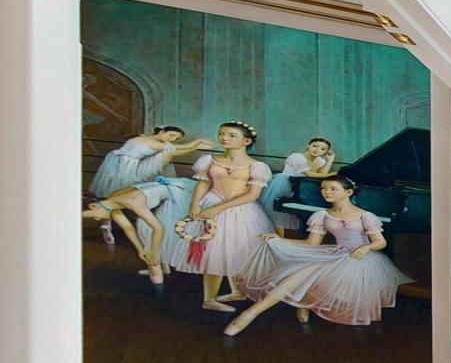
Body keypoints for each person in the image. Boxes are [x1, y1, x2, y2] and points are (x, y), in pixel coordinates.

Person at [226, 174, 410, 334]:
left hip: (360, 257)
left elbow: (381, 242)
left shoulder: (365, 216)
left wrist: (367, 248)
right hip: (335, 253)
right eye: (323, 188)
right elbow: (311, 243)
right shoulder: (322, 215)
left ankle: (306, 304)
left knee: (318, 278)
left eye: (333, 188)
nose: (326, 192)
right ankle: (249, 314)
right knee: (299, 275)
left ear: (348, 192)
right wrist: (278, 240)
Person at [178, 121, 273, 311]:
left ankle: (237, 291)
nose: (224, 138)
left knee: (234, 249)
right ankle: (209, 299)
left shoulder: (257, 166)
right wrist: (195, 205)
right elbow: (204, 183)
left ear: (246, 141)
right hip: (211, 204)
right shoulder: (210, 160)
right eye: (221, 134)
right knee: (213, 251)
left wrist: (219, 208)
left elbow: (252, 195)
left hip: (240, 209)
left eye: (231, 135)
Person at [81, 176, 196, 284]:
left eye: (91, 216)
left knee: (148, 228)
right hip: (163, 198)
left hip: (178, 196)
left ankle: (158, 266)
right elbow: (127, 227)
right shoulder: (111, 201)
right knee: (143, 226)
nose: (96, 219)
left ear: (93, 206)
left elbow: (158, 228)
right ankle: (160, 266)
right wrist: (140, 250)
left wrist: (153, 252)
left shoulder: (133, 202)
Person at [87, 126, 213, 198]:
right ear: (162, 132)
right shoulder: (153, 143)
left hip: (120, 161)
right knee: (168, 153)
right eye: (171, 135)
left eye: (176, 138)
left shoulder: (144, 138)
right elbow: (183, 147)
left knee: (166, 155)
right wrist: (198, 142)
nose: (173, 139)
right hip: (127, 165)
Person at [258, 136, 340, 231]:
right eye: (315, 146)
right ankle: (273, 236)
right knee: (277, 214)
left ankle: (281, 238)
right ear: (308, 145)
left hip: (300, 188)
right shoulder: (297, 157)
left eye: (322, 149)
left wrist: (330, 160)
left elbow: (322, 174)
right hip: (284, 184)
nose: (317, 150)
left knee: (290, 215)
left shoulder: (320, 161)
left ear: (326, 152)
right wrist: (331, 174)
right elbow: (309, 174)